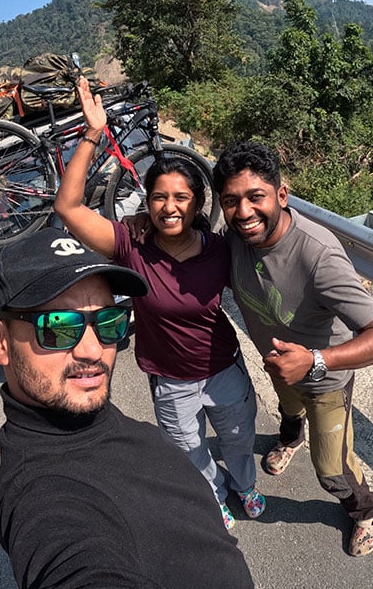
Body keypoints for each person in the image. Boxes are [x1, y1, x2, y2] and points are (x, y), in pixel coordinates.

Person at [0, 226, 254, 589]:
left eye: (108, 323)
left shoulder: (95, 422)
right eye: (59, 327)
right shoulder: (44, 497)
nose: (93, 351)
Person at [51, 76, 265, 530]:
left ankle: (245, 485)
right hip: (170, 381)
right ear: (147, 204)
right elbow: (68, 208)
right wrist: (93, 132)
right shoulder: (131, 245)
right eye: (160, 197)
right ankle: (215, 497)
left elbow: (271, 249)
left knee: (238, 438)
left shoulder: (219, 249)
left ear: (197, 204)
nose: (170, 206)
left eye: (181, 197)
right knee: (190, 452)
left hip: (223, 368)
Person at [211, 141, 373, 557]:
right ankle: (290, 438)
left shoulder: (318, 256)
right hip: (281, 367)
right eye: (231, 201)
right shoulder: (235, 238)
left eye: (256, 197)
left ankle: (366, 510)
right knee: (288, 410)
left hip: (325, 377)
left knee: (332, 470)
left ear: (281, 194)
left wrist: (314, 360)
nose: (243, 212)